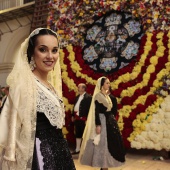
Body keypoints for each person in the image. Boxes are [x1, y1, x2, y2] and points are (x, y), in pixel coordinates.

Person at [0, 28, 76, 170]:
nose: (50, 56)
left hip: (60, 153)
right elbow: (11, 132)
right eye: (43, 49)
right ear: (32, 53)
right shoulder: (23, 86)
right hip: (40, 155)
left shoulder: (50, 86)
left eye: (54, 50)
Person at [79, 77, 125, 170]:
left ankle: (105, 166)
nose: (109, 84)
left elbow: (112, 110)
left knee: (110, 145)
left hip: (110, 122)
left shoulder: (107, 96)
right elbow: (97, 112)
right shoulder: (98, 96)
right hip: (102, 121)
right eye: (107, 83)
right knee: (102, 145)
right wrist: (98, 125)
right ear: (102, 85)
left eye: (109, 83)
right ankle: (103, 165)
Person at [71, 83, 92, 154]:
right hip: (77, 119)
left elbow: (90, 109)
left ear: (83, 88)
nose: (78, 88)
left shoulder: (88, 97)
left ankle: (85, 150)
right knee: (78, 133)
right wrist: (72, 115)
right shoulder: (77, 97)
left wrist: (87, 119)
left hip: (84, 119)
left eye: (79, 87)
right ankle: (77, 149)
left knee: (85, 134)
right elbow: (74, 106)